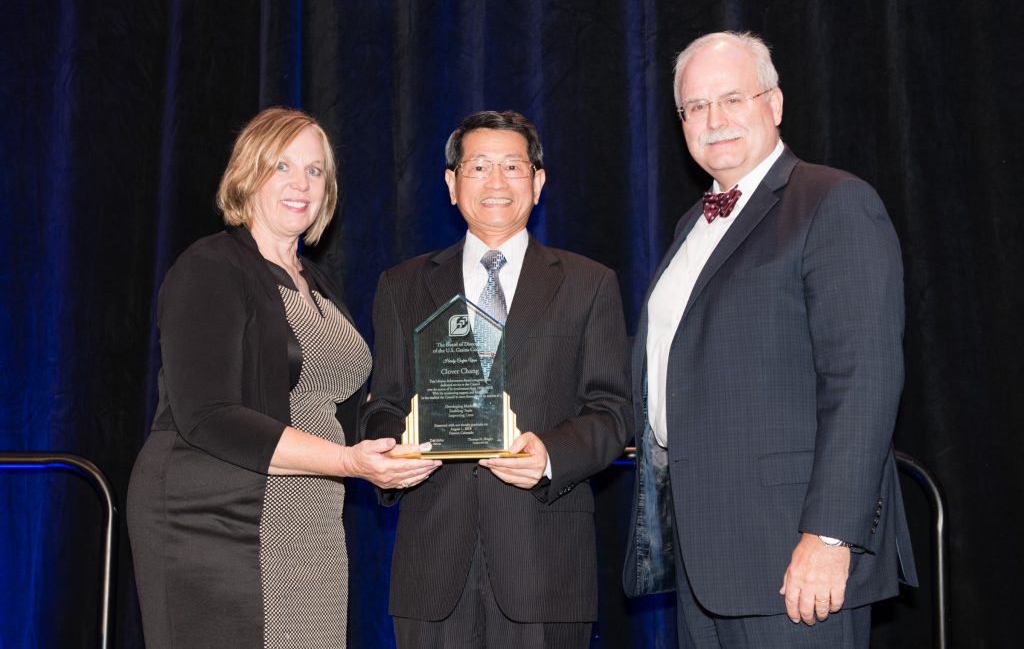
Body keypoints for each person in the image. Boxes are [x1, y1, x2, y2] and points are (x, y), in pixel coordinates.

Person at [623, 32, 918, 647]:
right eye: (695, 107)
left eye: (732, 98)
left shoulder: (833, 202)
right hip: (708, 565)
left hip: (794, 560)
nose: (714, 120)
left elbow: (863, 381)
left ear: (775, 103)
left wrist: (831, 537)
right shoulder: (690, 226)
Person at [127, 107, 440, 649]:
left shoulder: (315, 284)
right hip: (214, 518)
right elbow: (207, 416)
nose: (301, 184)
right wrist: (348, 463)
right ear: (248, 175)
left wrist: (418, 427)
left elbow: (334, 400)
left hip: (309, 515)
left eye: (315, 171)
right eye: (282, 166)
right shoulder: (211, 267)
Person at [360, 110, 631, 648]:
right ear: (451, 183)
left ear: (539, 180)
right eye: (479, 166)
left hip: (545, 567)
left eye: (513, 165)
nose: (497, 181)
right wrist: (392, 449)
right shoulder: (402, 286)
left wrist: (551, 455)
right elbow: (384, 402)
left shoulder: (589, 284)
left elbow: (613, 408)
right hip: (432, 571)